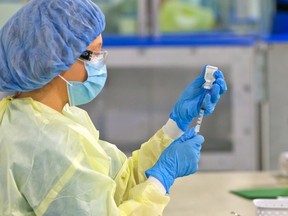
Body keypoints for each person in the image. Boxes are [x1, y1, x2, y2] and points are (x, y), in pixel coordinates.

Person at [0, 0, 227, 215]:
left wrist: (175, 125)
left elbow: (116, 184)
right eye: (95, 52)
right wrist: (162, 177)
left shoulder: (41, 116)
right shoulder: (49, 143)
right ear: (57, 61)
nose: (101, 60)